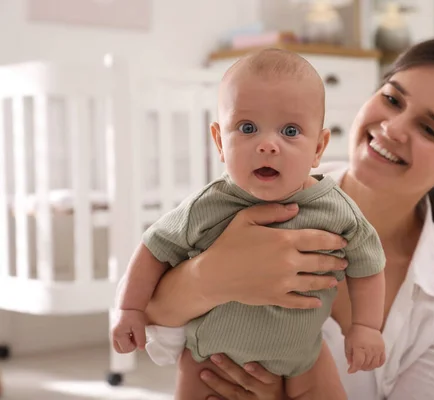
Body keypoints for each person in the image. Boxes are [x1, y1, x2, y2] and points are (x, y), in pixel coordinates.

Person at [140, 36, 434, 400]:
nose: (393, 127)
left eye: (429, 130)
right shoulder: (244, 195)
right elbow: (140, 322)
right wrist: (210, 278)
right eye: (392, 99)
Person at [112, 48, 387, 400]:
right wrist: (129, 308)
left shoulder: (337, 211)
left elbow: (369, 265)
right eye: (247, 128)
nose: (268, 145)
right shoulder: (208, 206)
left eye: (290, 130)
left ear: (318, 148)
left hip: (304, 358)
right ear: (219, 142)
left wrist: (365, 327)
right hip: (210, 357)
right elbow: (154, 247)